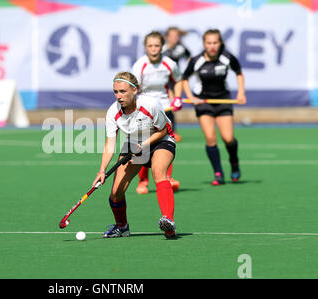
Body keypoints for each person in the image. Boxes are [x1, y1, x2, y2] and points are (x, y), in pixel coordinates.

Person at [92, 71, 178, 239]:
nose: (119, 96)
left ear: (135, 90)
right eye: (116, 92)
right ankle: (122, 227)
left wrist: (144, 145)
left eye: (123, 91)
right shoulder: (112, 112)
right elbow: (110, 143)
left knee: (158, 172)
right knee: (116, 193)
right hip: (134, 144)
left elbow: (163, 130)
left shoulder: (150, 104)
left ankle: (168, 221)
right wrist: (102, 170)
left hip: (160, 140)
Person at [181, 29, 247, 185]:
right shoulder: (196, 60)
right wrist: (191, 97)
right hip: (204, 102)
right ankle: (218, 173)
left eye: (215, 42)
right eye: (208, 43)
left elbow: (239, 73)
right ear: (204, 44)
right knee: (210, 137)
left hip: (223, 100)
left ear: (220, 43)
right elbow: (184, 79)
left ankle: (234, 162)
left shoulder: (227, 57)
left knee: (228, 138)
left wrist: (241, 93)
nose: (212, 46)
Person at [131, 30, 183, 195]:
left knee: (166, 142)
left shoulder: (169, 63)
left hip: (165, 108)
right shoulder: (140, 65)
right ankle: (143, 181)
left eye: (157, 46)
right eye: (150, 46)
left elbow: (179, 80)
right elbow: (133, 88)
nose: (153, 49)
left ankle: (167, 177)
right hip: (145, 109)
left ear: (162, 47)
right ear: (146, 47)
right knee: (144, 144)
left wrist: (178, 98)